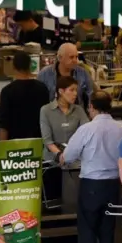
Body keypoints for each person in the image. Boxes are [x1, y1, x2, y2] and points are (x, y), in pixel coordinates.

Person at [61, 91, 122, 243]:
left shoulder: (86, 129)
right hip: (113, 185)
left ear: (91, 107)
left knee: (87, 231)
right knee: (108, 230)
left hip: (91, 186)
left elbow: (68, 156)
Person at [40, 76, 89, 204]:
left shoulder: (78, 110)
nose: (75, 94)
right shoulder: (46, 110)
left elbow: (86, 132)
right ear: (61, 91)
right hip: (53, 162)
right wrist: (60, 154)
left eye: (76, 90)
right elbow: (47, 140)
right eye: (71, 90)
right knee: (53, 200)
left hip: (76, 162)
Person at [0, 51, 51, 140]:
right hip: (38, 142)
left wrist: (2, 150)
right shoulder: (42, 88)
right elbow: (47, 119)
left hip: (14, 145)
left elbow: (4, 126)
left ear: (13, 67)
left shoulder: (7, 91)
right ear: (30, 66)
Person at [37, 42, 95, 107]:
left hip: (77, 114)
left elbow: (91, 95)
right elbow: (38, 98)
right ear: (60, 58)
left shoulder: (83, 73)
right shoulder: (44, 73)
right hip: (53, 114)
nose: (75, 60)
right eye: (71, 57)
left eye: (76, 57)